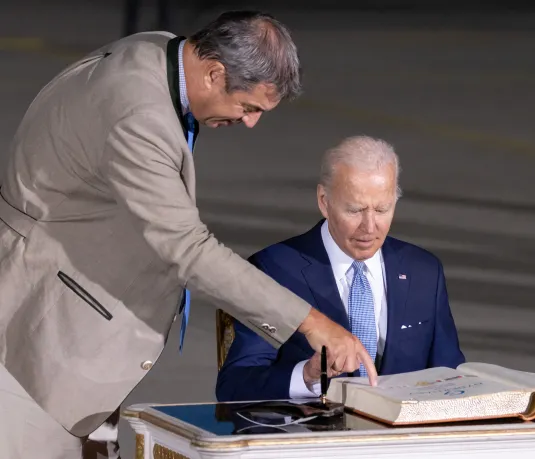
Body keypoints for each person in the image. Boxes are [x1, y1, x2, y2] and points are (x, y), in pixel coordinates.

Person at [0, 11, 376, 459]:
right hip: (39, 340)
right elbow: (189, 249)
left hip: (76, 318)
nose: (251, 122)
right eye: (249, 106)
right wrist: (312, 323)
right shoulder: (139, 116)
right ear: (214, 72)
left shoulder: (158, 50)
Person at [216, 136, 465, 402]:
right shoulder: (273, 270)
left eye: (382, 209)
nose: (370, 227)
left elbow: (450, 377)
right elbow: (235, 386)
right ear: (324, 201)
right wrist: (307, 375)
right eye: (355, 210)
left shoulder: (424, 272)